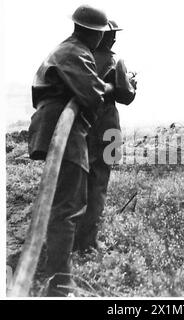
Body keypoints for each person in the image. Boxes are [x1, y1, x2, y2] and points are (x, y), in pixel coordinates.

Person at [28, 5, 114, 296]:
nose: (104, 40)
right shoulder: (74, 52)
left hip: (65, 128)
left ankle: (56, 269)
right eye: (102, 35)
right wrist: (109, 87)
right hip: (62, 129)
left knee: (66, 200)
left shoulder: (73, 50)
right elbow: (93, 96)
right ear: (92, 33)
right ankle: (60, 282)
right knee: (68, 205)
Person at [74, 20, 137, 252]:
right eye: (112, 36)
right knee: (98, 184)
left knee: (78, 185)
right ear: (104, 37)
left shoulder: (81, 59)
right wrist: (132, 85)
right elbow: (126, 96)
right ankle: (88, 243)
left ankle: (71, 238)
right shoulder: (114, 60)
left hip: (80, 129)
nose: (114, 39)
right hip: (106, 129)